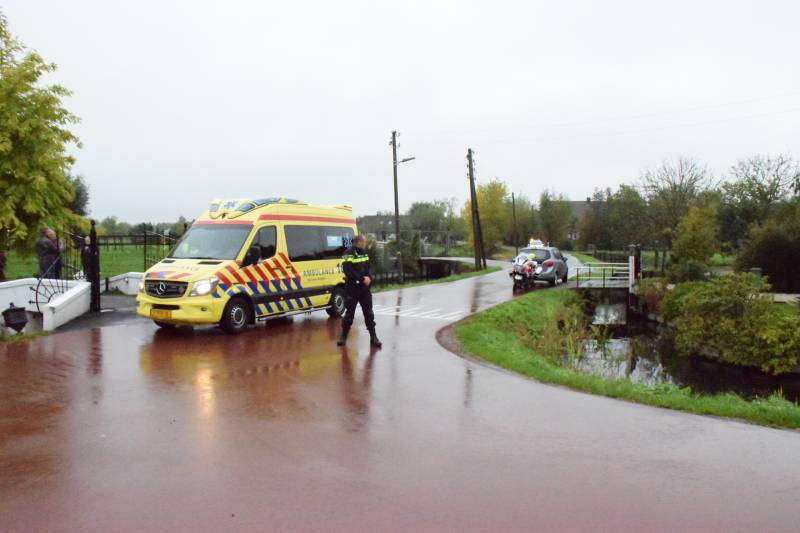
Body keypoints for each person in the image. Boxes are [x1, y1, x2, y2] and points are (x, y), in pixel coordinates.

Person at [337, 234, 381, 348]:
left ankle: (373, 337)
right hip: (352, 288)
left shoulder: (364, 253)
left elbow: (369, 268)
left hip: (364, 289)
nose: (365, 244)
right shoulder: (348, 253)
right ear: (359, 242)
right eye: (364, 242)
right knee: (349, 314)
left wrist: (370, 278)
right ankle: (343, 337)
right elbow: (348, 270)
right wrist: (362, 279)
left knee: (369, 313)